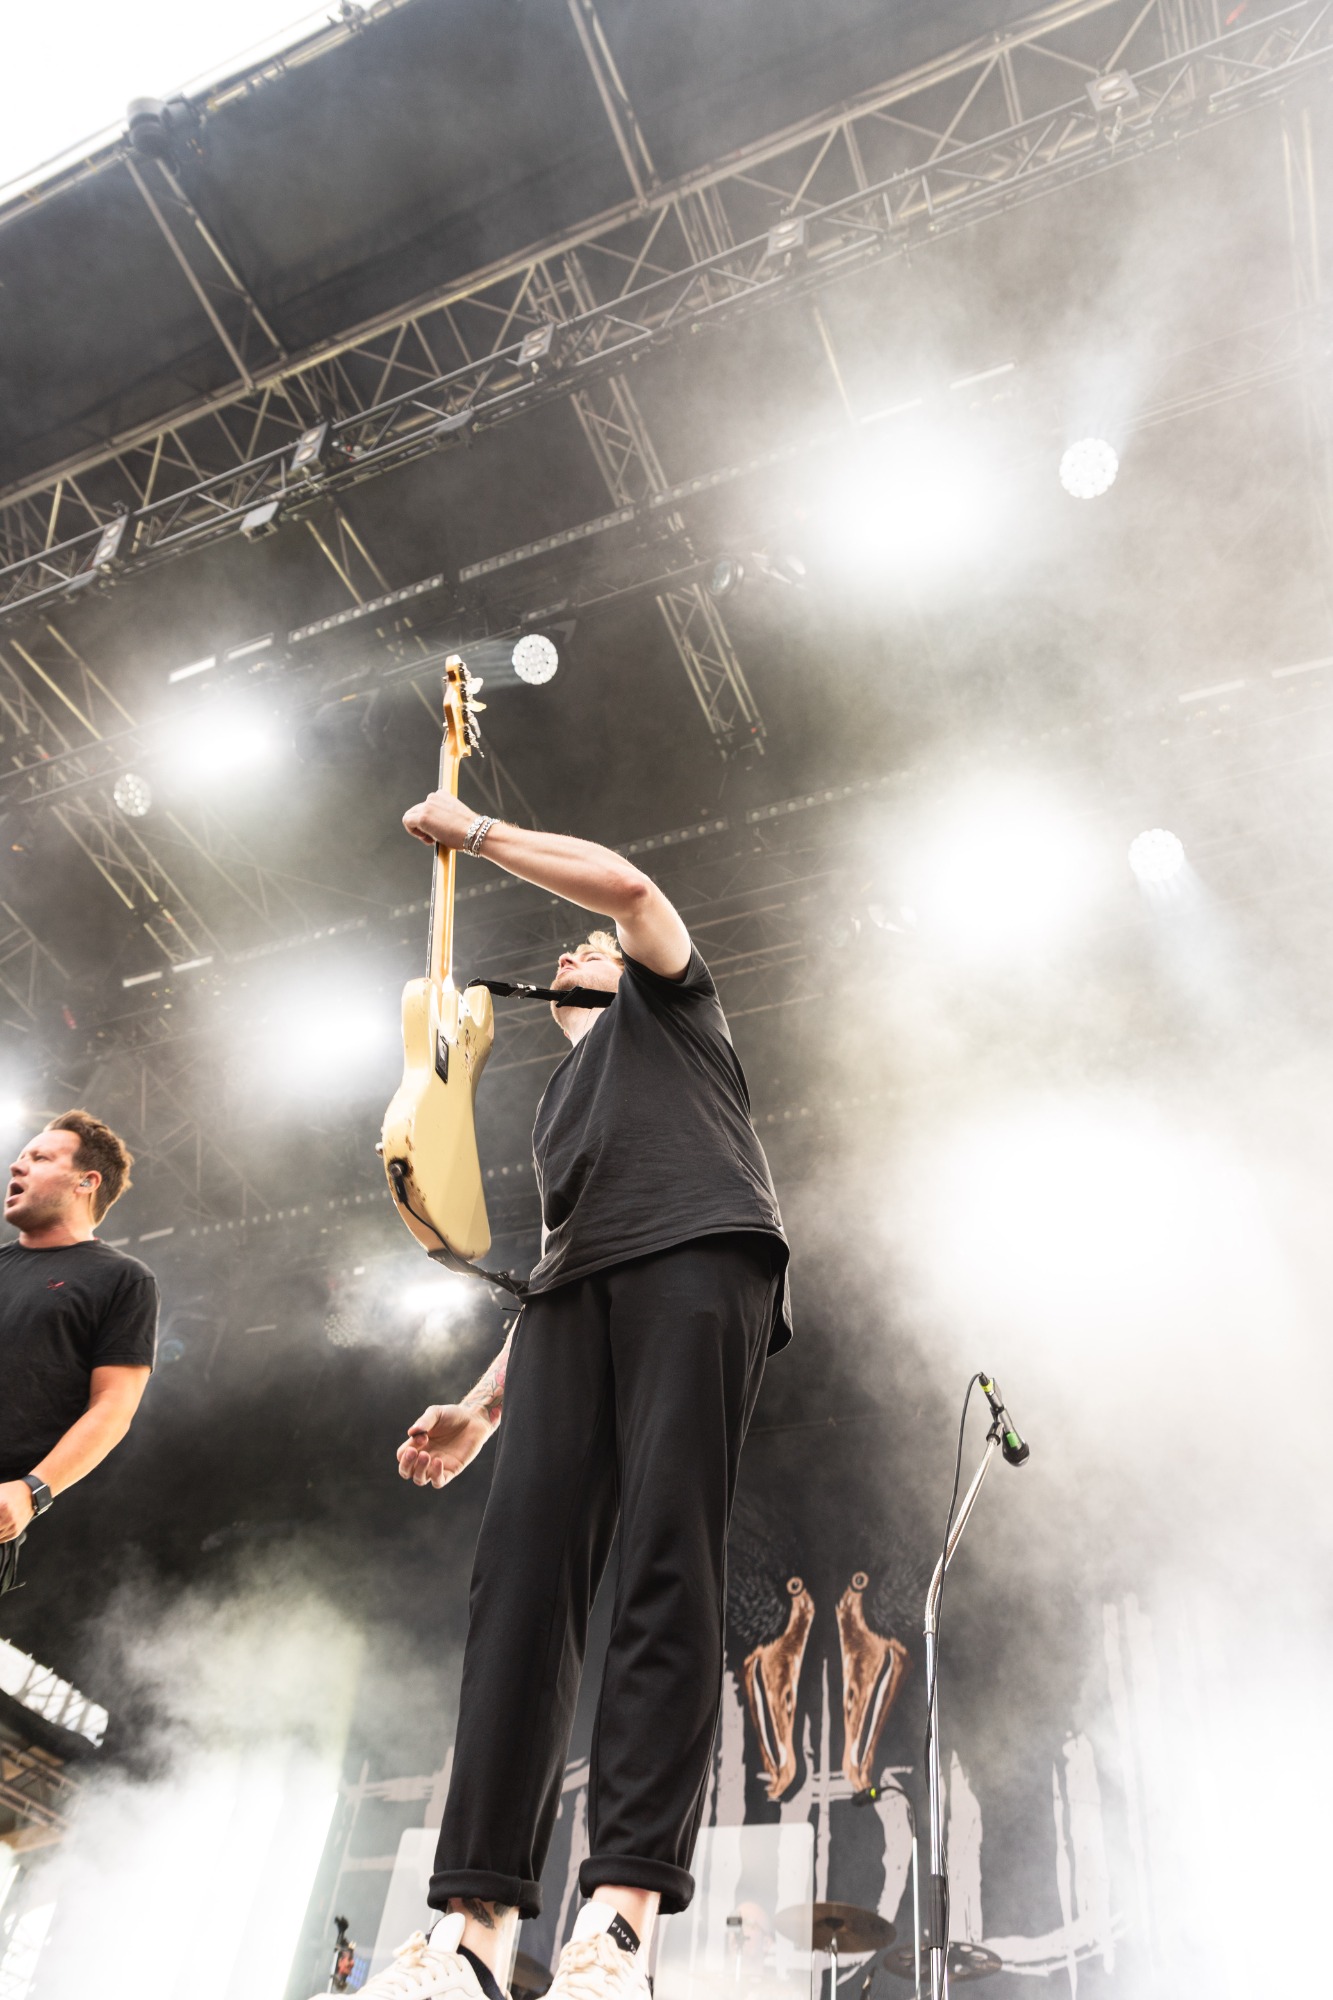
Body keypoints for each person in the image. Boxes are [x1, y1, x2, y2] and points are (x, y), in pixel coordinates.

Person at [364, 802, 791, 2000]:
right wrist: (479, 1407)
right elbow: (560, 1263)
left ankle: (619, 1920)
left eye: (588, 949)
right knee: (517, 1580)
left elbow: (627, 886)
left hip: (700, 1252)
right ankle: (473, 1930)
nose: (574, 948)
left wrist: (477, 831)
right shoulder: (560, 1101)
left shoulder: (676, 1005)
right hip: (570, 1303)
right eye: (570, 949)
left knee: (664, 1553)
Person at [0, 1111, 159, 1594]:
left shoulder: (123, 1279)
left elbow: (112, 1408)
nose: (16, 1166)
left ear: (86, 1182)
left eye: (40, 1158)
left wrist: (32, 1491)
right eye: (20, 1157)